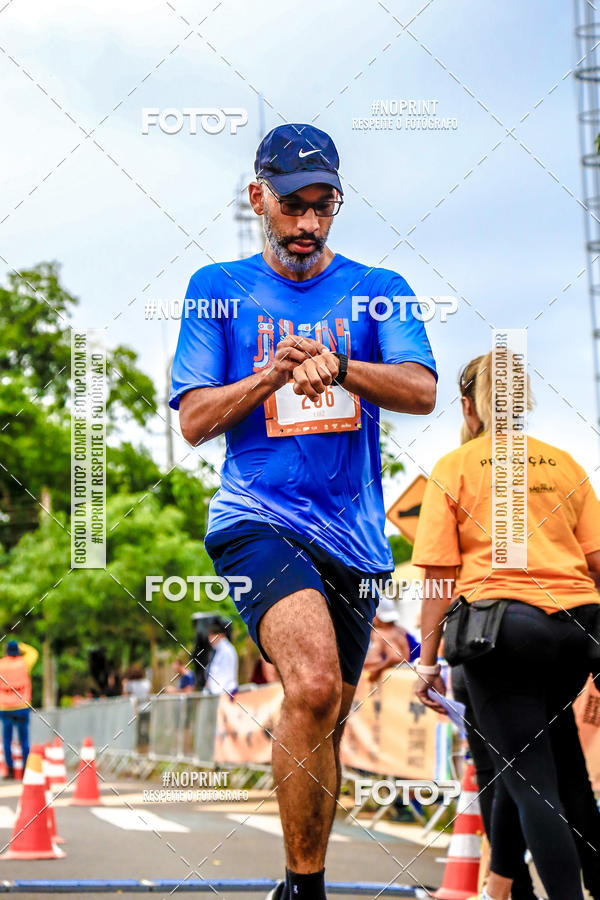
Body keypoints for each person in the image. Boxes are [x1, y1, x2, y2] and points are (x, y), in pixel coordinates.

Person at [170, 123, 437, 900]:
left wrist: (343, 366)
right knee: (313, 685)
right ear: (259, 197)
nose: (308, 222)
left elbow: (422, 389)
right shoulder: (217, 287)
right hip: (257, 520)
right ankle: (307, 894)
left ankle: (296, 883)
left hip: (356, 542)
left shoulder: (378, 287)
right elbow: (194, 421)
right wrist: (270, 374)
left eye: (324, 205)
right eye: (293, 205)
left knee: (328, 717)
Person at [412, 351, 600, 900]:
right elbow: (596, 562)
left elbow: (439, 578)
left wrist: (428, 664)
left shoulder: (455, 467)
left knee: (530, 784)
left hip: (501, 633)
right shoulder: (563, 464)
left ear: (468, 406)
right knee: (566, 773)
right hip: (575, 629)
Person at [0, 640, 38, 778]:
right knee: (24, 739)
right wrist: (22, 645)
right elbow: (33, 652)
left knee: (7, 740)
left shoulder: (1, 664)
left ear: (6, 651)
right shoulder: (24, 663)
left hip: (5, 707)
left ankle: (10, 770)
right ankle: (26, 769)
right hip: (22, 706)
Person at [205, 622, 239, 696]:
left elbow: (224, 675)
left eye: (212, 637)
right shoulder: (219, 650)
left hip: (226, 693)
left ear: (220, 635)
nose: (210, 640)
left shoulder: (226, 650)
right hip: (222, 693)